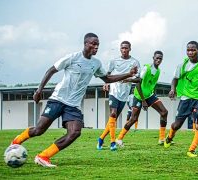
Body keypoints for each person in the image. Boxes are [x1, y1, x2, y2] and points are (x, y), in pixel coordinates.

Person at [10, 33, 137, 167]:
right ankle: (16, 142)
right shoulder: (72, 57)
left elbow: (107, 79)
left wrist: (128, 74)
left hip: (73, 105)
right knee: (39, 130)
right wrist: (39, 90)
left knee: (75, 132)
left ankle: (43, 156)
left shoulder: (96, 63)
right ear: (85, 44)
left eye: (98, 44)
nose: (96, 47)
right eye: (93, 44)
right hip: (58, 99)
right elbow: (51, 70)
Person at [116, 50, 168, 146]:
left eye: (160, 58)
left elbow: (151, 85)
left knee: (164, 112)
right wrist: (143, 100)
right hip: (139, 96)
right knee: (133, 119)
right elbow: (138, 82)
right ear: (153, 58)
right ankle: (119, 139)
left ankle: (161, 138)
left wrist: (151, 96)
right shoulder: (146, 68)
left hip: (149, 95)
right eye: (157, 58)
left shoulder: (158, 71)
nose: (158, 60)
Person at [97, 41, 140, 151]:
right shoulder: (114, 61)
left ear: (130, 48)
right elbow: (107, 75)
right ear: (120, 49)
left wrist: (128, 79)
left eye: (126, 48)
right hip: (114, 91)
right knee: (113, 113)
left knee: (113, 119)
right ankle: (112, 143)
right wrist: (106, 83)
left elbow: (138, 78)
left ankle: (101, 138)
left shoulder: (135, 62)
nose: (124, 50)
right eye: (122, 48)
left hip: (124, 94)